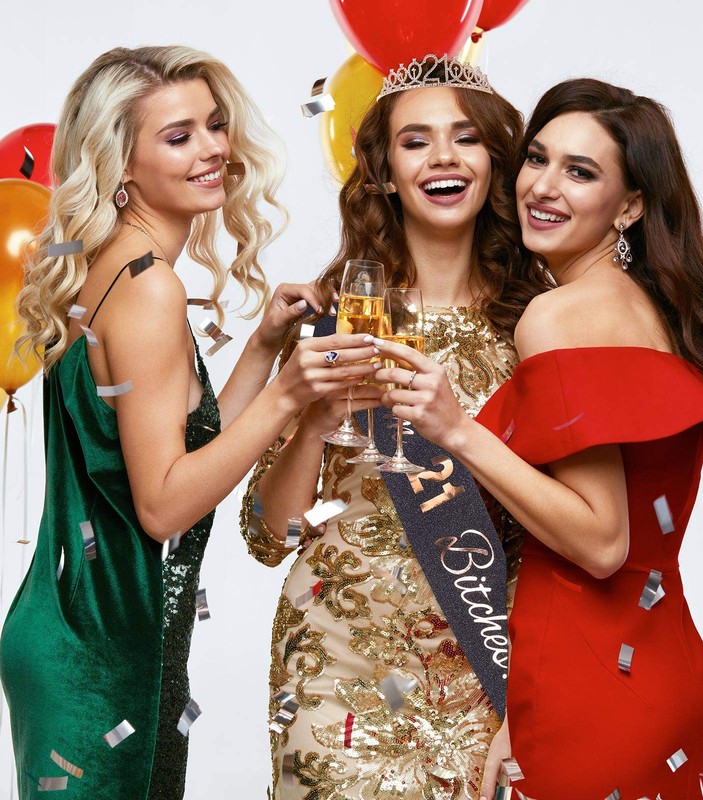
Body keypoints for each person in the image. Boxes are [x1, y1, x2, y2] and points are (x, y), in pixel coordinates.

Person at [369, 78, 703, 800]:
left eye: (581, 172)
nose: (543, 187)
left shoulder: (558, 316)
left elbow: (602, 543)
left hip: (594, 685)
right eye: (537, 159)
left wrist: (456, 430)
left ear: (629, 207)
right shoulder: (651, 306)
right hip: (663, 676)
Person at [0, 45, 375, 800]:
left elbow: (175, 449)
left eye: (214, 124)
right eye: (179, 136)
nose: (213, 149)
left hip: (79, 629)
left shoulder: (109, 261)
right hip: (106, 657)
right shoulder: (150, 288)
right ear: (121, 164)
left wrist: (264, 348)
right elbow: (164, 505)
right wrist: (288, 396)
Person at [240, 55, 550, 799]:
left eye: (466, 138)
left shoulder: (539, 325)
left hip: (484, 663)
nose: (443, 157)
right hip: (336, 667)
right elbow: (268, 537)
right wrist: (315, 424)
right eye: (416, 141)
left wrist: (535, 695)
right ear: (383, 172)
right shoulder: (335, 320)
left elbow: (564, 531)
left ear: (495, 161)